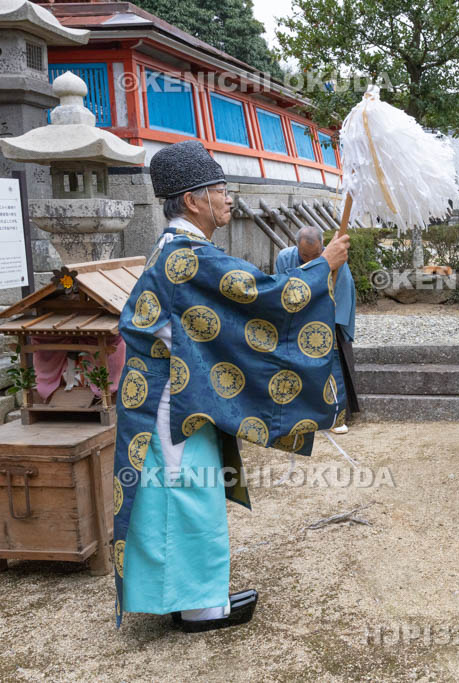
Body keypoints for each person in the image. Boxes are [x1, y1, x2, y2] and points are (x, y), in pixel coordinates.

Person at [113, 141, 349, 632]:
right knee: (184, 493)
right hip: (169, 399)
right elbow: (260, 296)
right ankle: (198, 607)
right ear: (192, 200)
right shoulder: (186, 257)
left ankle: (188, 596)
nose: (228, 198)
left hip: (169, 393)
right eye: (220, 189)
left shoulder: (177, 249)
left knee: (178, 492)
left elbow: (240, 300)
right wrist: (322, 266)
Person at [276, 226, 359, 434]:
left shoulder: (336, 259)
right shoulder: (285, 258)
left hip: (326, 318)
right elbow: (281, 289)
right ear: (297, 248)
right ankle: (295, 415)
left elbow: (342, 293)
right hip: (295, 317)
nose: (311, 260)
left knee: (332, 363)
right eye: (305, 256)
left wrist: (327, 320)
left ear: (322, 246)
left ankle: (337, 416)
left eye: (316, 255)